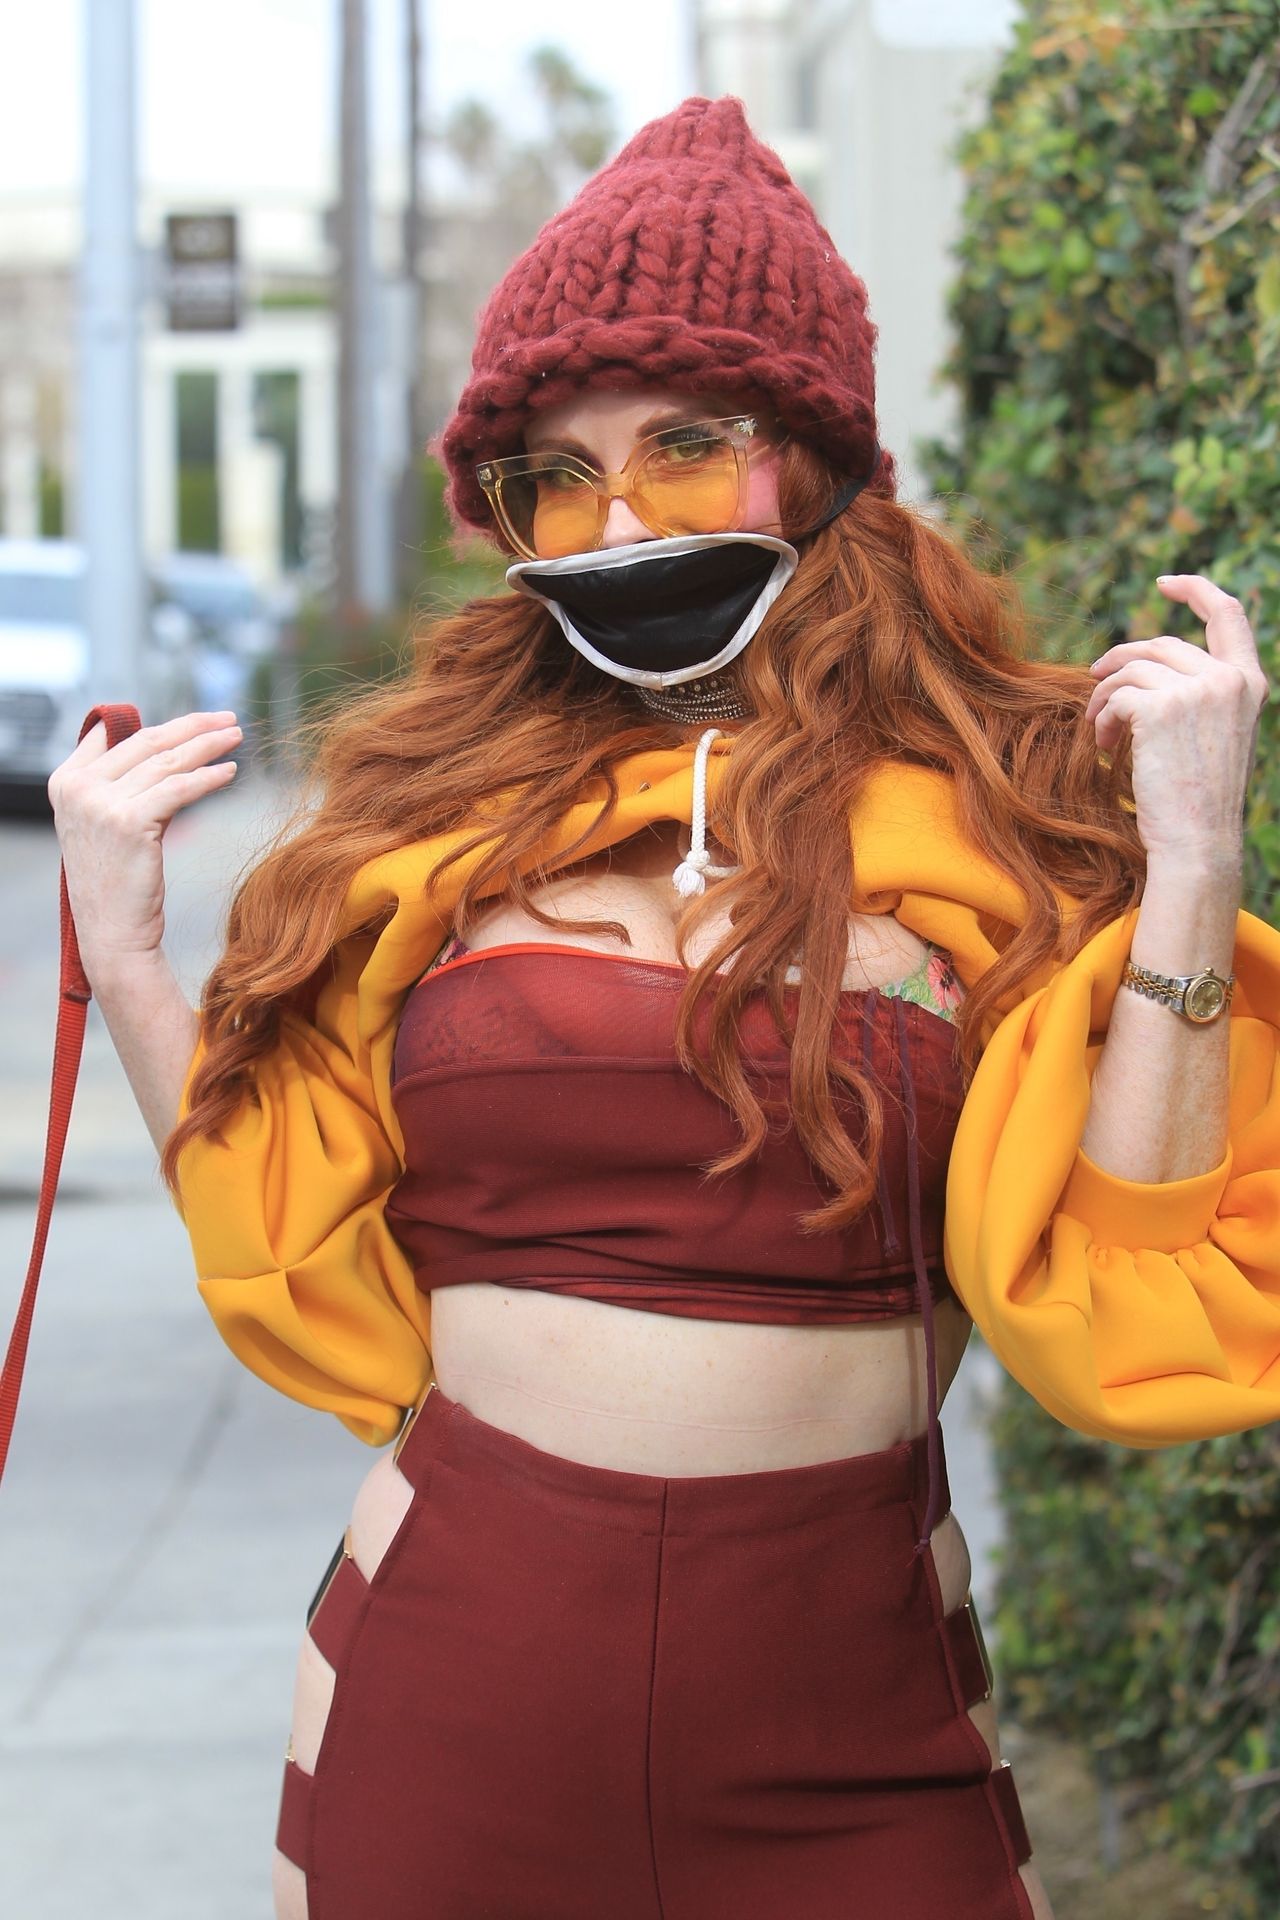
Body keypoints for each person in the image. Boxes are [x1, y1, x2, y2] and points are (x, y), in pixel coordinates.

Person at [48, 97, 1278, 1920]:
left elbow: (1135, 1285)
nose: (619, 519)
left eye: (686, 451)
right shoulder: (435, 832)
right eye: (558, 475)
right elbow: (280, 1223)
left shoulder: (1000, 827)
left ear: (817, 462)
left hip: (860, 1728)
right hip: (450, 1702)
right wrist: (133, 958)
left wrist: (1191, 857)